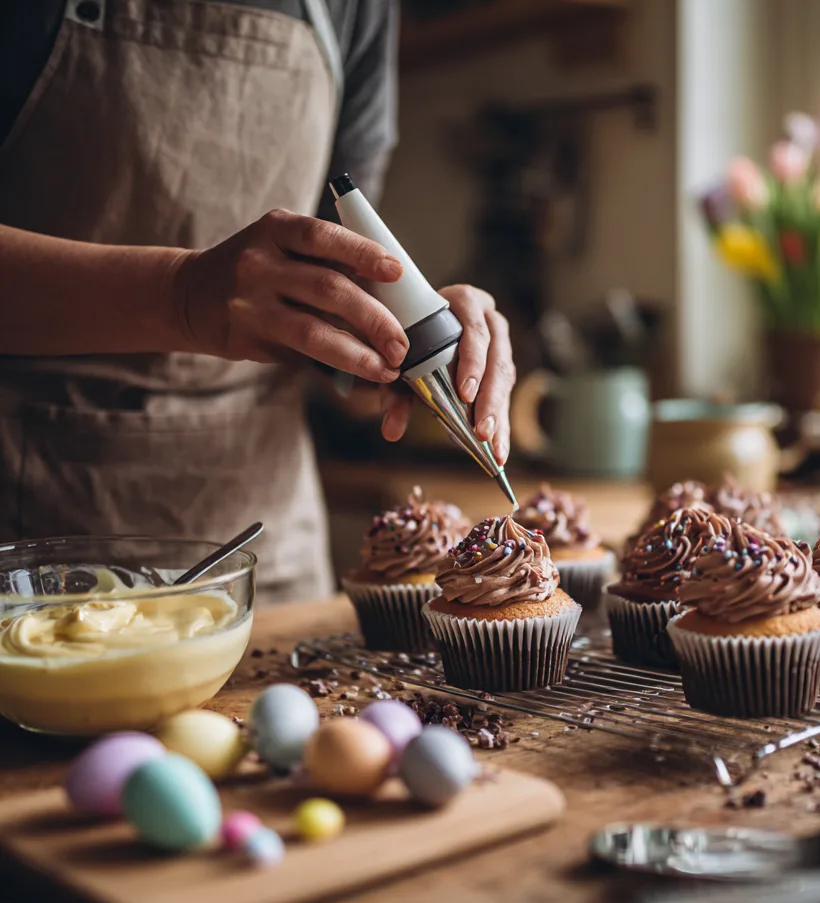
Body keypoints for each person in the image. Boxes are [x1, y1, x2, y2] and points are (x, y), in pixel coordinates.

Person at [0, 1, 514, 604]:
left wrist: (393, 344)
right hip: (38, 540)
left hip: (263, 545)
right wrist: (179, 294)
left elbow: (341, 267)